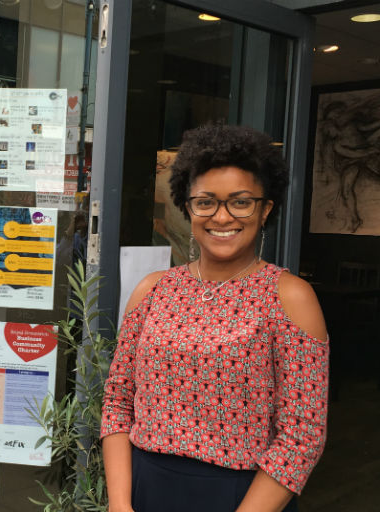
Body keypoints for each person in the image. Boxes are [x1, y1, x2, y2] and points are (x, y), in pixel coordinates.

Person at [101, 124, 328, 512]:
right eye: (205, 202)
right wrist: (120, 505)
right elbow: (119, 402)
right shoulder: (153, 290)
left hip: (243, 497)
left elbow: (302, 435)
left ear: (265, 209)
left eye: (240, 202)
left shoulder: (289, 297)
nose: (221, 217)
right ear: (187, 207)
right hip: (144, 487)